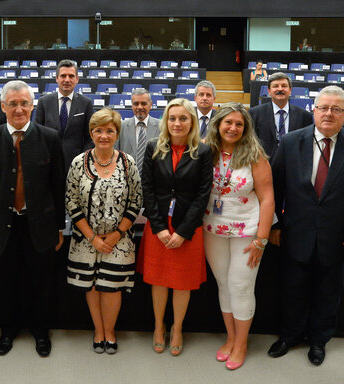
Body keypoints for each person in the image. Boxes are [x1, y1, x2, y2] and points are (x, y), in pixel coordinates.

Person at [268, 85, 344, 365]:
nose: (328, 113)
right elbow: (275, 188)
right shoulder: (291, 141)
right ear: (314, 110)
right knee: (292, 289)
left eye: (336, 109)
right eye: (323, 108)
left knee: (329, 294)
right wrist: (275, 226)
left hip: (338, 237)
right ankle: (290, 336)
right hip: (294, 232)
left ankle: (318, 341)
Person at [0, 80, 65, 358]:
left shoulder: (50, 137)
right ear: (2, 106)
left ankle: (40, 331)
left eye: (24, 103)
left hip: (39, 224)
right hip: (3, 225)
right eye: (12, 103)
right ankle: (8, 330)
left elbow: (57, 186)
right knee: (6, 283)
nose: (18, 109)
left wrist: (60, 228)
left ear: (32, 106)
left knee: (40, 282)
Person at [202, 102, 274, 370]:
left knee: (241, 286)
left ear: (246, 129)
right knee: (223, 284)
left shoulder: (255, 155)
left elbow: (267, 200)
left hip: (247, 231)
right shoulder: (205, 151)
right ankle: (231, 338)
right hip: (213, 229)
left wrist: (261, 240)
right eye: (228, 123)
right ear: (218, 125)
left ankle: (241, 344)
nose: (233, 128)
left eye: (239, 124)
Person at [138, 98, 213, 356]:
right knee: (158, 280)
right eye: (172, 118)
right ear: (165, 121)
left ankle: (177, 327)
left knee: (182, 282)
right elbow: (147, 188)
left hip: (187, 227)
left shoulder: (203, 152)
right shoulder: (152, 148)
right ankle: (159, 326)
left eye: (183, 118)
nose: (177, 123)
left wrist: (182, 231)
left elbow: (203, 195)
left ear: (192, 121)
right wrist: (159, 227)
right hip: (158, 224)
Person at [66, 108, 143, 355]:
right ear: (91, 133)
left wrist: (115, 235)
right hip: (85, 240)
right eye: (99, 130)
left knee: (111, 287)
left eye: (110, 130)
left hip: (118, 241)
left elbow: (136, 201)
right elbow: (71, 201)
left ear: (117, 133)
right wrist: (92, 237)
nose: (104, 135)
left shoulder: (128, 162)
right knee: (91, 286)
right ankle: (98, 331)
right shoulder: (79, 162)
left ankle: (110, 332)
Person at [34, 59, 95, 169]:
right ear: (57, 78)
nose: (67, 80)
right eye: (63, 76)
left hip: (77, 165)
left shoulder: (86, 103)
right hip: (48, 164)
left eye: (71, 76)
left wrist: (82, 159)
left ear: (77, 79)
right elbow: (37, 134)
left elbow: (90, 137)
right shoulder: (44, 102)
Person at [248, 72, 314, 158]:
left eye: (284, 86)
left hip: (293, 164)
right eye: (275, 86)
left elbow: (307, 145)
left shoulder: (305, 116)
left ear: (290, 90)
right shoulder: (254, 114)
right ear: (269, 91)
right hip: (263, 164)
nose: (280, 89)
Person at [116, 88, 160, 177]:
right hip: (127, 179)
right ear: (132, 105)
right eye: (136, 104)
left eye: (143, 103)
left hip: (154, 180)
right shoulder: (121, 127)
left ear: (150, 105)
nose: (140, 107)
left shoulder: (161, 127)